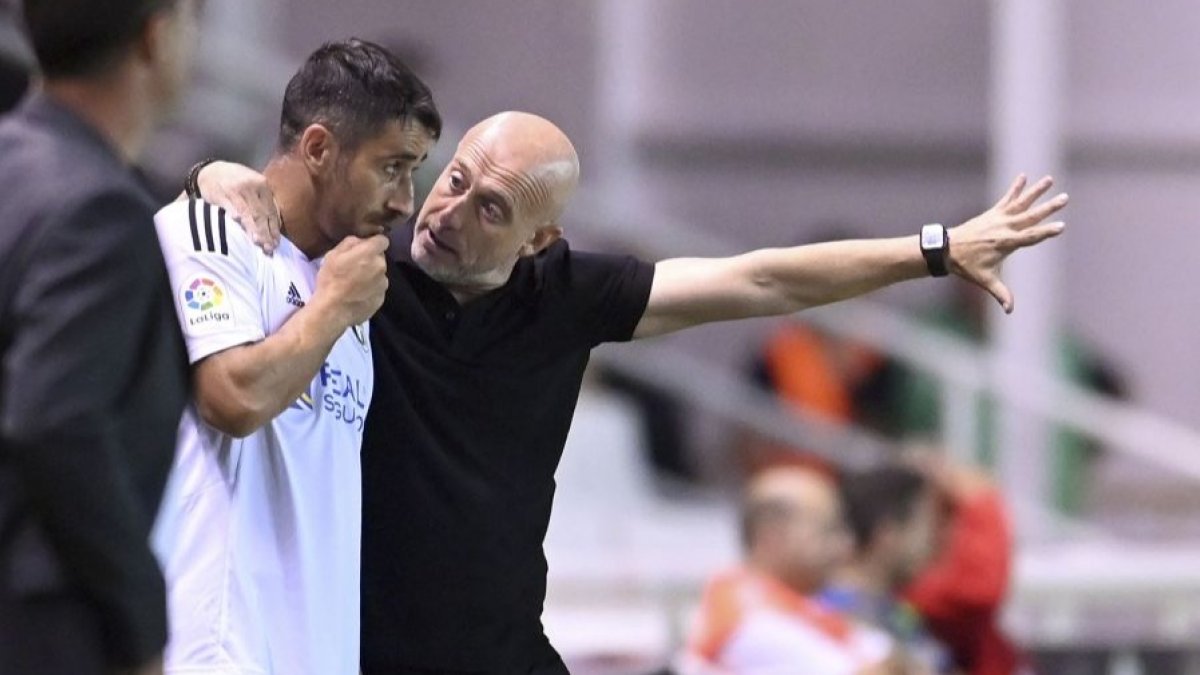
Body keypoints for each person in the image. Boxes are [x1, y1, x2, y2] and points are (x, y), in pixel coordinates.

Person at [198, 111, 1067, 673]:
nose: (449, 213)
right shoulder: (362, 273)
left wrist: (934, 249)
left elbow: (761, 279)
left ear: (540, 240)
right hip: (362, 654)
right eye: (454, 179)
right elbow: (263, 206)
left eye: (492, 208)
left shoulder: (567, 295)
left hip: (506, 653)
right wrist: (215, 175)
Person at [151, 39, 439, 675]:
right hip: (220, 652)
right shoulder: (211, 231)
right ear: (317, 148)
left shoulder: (350, 281)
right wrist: (331, 309)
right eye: (392, 167)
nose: (405, 201)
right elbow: (234, 398)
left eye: (414, 171)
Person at [0, 0, 201, 673]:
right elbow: (56, 420)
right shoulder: (100, 209)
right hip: (42, 629)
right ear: (156, 37)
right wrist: (142, 623)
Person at [681, 466, 896, 674]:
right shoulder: (749, 618)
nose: (845, 545)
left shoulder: (798, 600)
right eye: (828, 532)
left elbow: (887, 655)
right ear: (773, 536)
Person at [827, 464, 953, 674]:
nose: (935, 542)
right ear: (888, 534)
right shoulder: (831, 613)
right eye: (926, 527)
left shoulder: (897, 610)